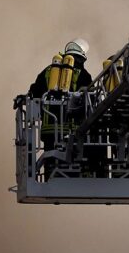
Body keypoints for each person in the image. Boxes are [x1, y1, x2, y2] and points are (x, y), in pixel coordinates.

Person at [28, 39, 92, 179]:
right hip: (73, 130)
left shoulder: (48, 71)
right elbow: (90, 99)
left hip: (49, 129)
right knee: (74, 164)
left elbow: (34, 92)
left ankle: (52, 176)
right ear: (82, 57)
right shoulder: (84, 75)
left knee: (52, 163)